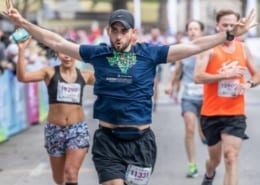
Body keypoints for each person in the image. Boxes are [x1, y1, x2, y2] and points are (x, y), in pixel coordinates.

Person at [4, 0, 256, 184]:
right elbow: (57, 42)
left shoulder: (150, 54)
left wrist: (229, 33)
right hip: (108, 141)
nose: (119, 35)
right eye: (114, 30)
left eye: (124, 30)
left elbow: (192, 46)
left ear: (133, 33)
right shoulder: (98, 54)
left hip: (141, 142)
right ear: (108, 32)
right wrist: (22, 22)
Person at [16, 37, 95, 185]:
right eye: (63, 52)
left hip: (77, 130)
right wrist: (21, 50)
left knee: (71, 174)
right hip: (54, 130)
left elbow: (112, 81)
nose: (66, 56)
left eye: (70, 52)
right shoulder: (49, 72)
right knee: (59, 179)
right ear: (57, 53)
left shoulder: (85, 75)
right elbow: (22, 77)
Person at [193, 9, 259, 185]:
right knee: (215, 161)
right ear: (217, 26)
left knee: (231, 157)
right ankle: (209, 173)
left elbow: (257, 74)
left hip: (235, 113)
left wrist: (248, 84)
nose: (229, 28)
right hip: (211, 113)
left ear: (238, 26)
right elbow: (198, 77)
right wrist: (224, 75)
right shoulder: (209, 49)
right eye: (225, 25)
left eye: (232, 25)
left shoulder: (243, 49)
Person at [165, 20, 206, 178]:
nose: (193, 31)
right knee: (189, 128)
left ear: (201, 32)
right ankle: (192, 165)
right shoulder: (184, 51)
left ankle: (207, 144)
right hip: (188, 96)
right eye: (190, 29)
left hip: (206, 98)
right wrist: (170, 84)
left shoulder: (208, 49)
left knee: (205, 134)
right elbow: (176, 72)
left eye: (196, 28)